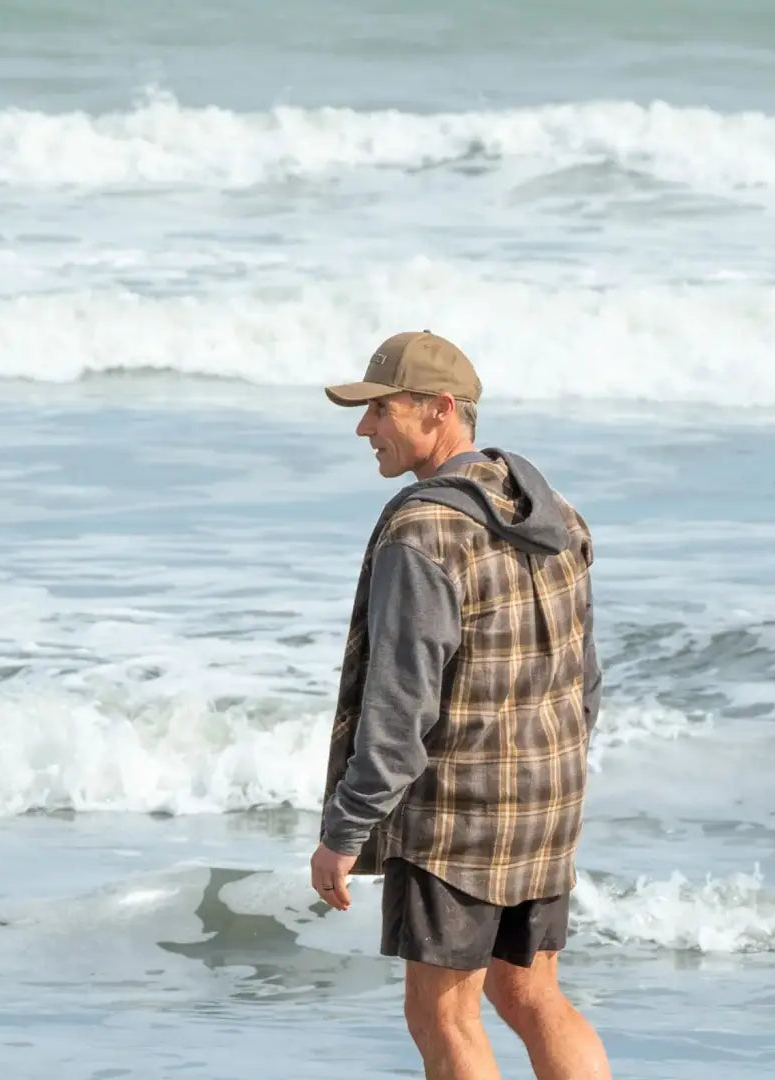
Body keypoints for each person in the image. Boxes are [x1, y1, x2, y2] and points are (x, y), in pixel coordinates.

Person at [309, 330, 612, 1080]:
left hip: (457, 821)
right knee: (532, 992)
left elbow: (398, 709)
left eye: (380, 410)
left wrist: (343, 833)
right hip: (547, 804)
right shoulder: (560, 517)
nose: (364, 428)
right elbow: (587, 683)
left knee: (441, 1013)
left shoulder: (424, 530)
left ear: (440, 409)